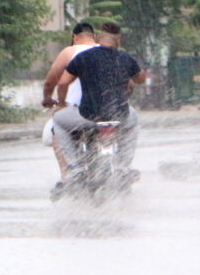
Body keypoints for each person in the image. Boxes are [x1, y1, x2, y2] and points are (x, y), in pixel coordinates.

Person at [52, 22, 146, 188]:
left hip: (88, 116)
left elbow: (62, 83)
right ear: (118, 40)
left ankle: (75, 168)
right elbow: (139, 80)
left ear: (97, 38)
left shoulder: (83, 58)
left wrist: (61, 104)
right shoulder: (125, 58)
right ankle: (123, 168)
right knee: (133, 119)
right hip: (119, 116)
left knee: (58, 121)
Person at [41, 22, 97, 185]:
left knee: (57, 127)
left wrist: (48, 98)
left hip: (77, 111)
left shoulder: (70, 52)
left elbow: (51, 81)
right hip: (106, 111)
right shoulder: (107, 51)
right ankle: (121, 168)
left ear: (74, 37)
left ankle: (67, 176)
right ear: (94, 37)